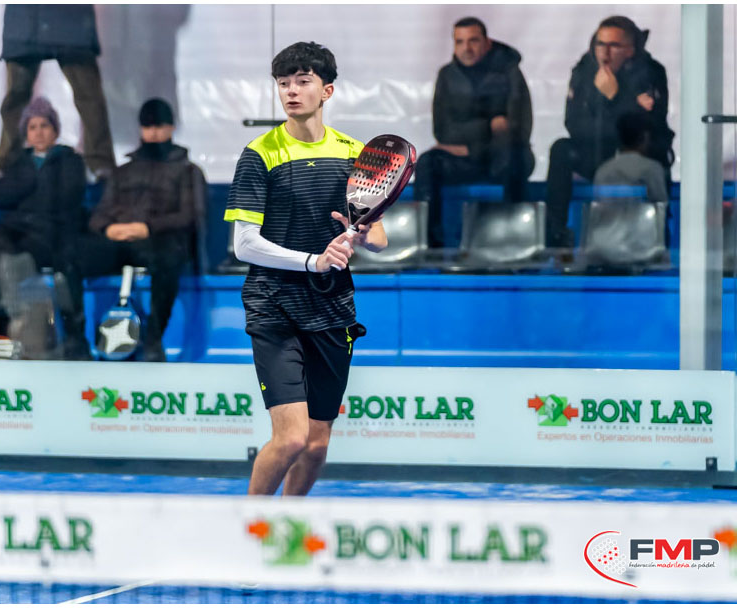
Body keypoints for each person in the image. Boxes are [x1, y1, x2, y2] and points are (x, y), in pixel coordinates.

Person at [224, 41, 387, 496]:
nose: (291, 91)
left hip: (332, 308)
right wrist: (313, 261)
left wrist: (364, 234)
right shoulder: (260, 153)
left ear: (327, 90)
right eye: (283, 83)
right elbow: (244, 244)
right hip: (274, 305)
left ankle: (285, 527)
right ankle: (248, 525)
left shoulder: (355, 154)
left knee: (316, 445)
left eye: (302, 81)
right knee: (291, 438)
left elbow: (377, 237)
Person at [80, 98, 206, 362]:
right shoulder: (122, 172)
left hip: (160, 243)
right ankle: (77, 340)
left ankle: (153, 340)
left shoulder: (187, 171)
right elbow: (100, 212)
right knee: (71, 255)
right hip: (119, 243)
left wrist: (147, 228)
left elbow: (191, 216)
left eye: (159, 126)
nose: (154, 133)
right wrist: (108, 228)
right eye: (148, 127)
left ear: (171, 128)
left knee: (169, 259)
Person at [0, 97, 91, 360]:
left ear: (55, 130)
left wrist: (31, 188)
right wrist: (31, 182)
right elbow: (1, 195)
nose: (38, 133)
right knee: (0, 247)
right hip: (22, 232)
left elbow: (67, 196)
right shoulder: (18, 162)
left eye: (44, 126)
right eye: (32, 127)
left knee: (53, 257)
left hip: (55, 233)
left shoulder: (70, 160)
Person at [545, 15, 674, 250]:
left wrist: (616, 96)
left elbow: (645, 129)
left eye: (614, 45)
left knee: (649, 164)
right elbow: (574, 124)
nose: (605, 53)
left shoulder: (651, 72)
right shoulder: (583, 71)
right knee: (561, 149)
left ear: (630, 50)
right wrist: (630, 105)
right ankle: (555, 233)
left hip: (637, 155)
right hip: (595, 150)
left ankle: (658, 239)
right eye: (600, 44)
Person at [413, 17, 534, 249]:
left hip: (502, 157)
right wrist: (488, 126)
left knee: (513, 156)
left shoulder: (509, 72)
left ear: (487, 43)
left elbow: (519, 130)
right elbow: (443, 131)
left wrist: (469, 146)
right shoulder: (447, 75)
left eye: (473, 41)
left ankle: (510, 241)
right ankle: (430, 246)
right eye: (459, 42)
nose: (466, 48)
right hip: (469, 159)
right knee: (428, 163)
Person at [0, 4, 115, 179]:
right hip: (33, 20)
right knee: (16, 97)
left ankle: (101, 163)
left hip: (62, 20)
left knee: (89, 97)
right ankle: (6, 163)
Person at [593, 110, 669, 204]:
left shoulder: (602, 171)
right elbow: (661, 205)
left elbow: (597, 205)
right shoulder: (652, 169)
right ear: (645, 136)